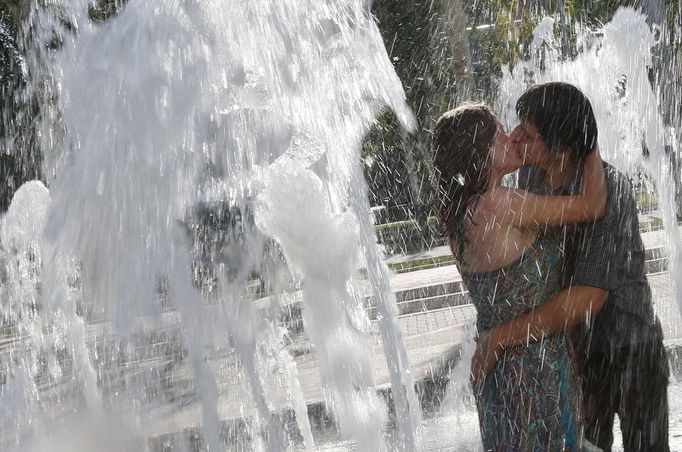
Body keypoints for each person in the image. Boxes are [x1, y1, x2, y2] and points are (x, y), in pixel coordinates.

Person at [474, 82, 670, 451]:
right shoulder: (531, 177)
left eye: (528, 133)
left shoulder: (609, 188)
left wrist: (502, 336)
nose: (516, 135)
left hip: (632, 350)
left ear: (562, 149)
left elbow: (586, 298)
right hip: (581, 352)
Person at [431, 103, 607, 451]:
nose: (511, 135)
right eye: (499, 131)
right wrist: (587, 138)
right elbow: (590, 206)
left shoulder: (464, 216)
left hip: (498, 381)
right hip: (536, 378)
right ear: (481, 150)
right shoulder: (501, 204)